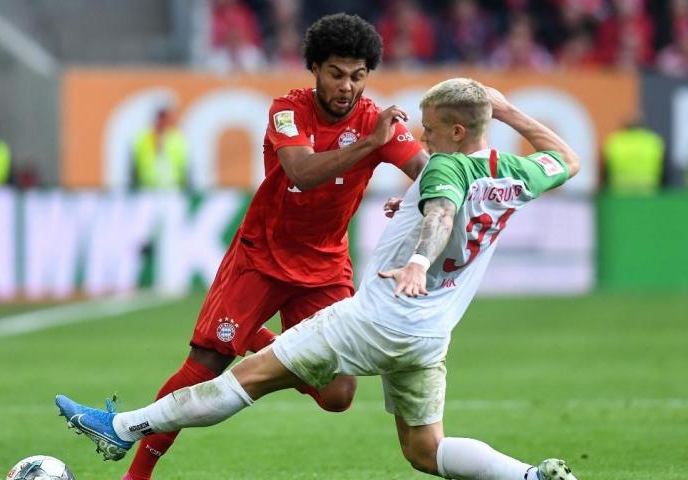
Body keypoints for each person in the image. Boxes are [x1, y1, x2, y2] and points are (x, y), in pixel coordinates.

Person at [56, 78, 581, 480]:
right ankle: (531, 476)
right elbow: (567, 159)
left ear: (458, 132)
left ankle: (121, 428)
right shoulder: (513, 172)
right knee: (425, 451)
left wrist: (419, 258)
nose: (423, 136)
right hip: (429, 336)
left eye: (432, 127)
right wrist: (508, 109)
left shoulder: (446, 169)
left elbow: (443, 211)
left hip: (376, 319)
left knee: (247, 379)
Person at [122, 13, 428, 480]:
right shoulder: (288, 109)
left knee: (338, 396)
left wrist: (414, 194)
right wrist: (370, 145)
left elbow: (430, 174)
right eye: (336, 73)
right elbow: (302, 173)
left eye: (358, 76)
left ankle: (259, 340)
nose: (347, 86)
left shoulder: (378, 122)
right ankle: (137, 473)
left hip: (325, 266)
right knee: (206, 364)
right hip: (261, 255)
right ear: (315, 70)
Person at [602, 118, 664, 195]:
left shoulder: (615, 142)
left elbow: (605, 171)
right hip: (648, 191)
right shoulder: (652, 142)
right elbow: (663, 169)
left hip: (620, 192)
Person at [131, 107, 189, 190]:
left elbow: (184, 165)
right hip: (147, 186)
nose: (162, 123)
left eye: (165, 120)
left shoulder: (177, 139)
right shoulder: (143, 138)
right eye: (160, 120)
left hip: (172, 186)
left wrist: (185, 185)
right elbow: (135, 164)